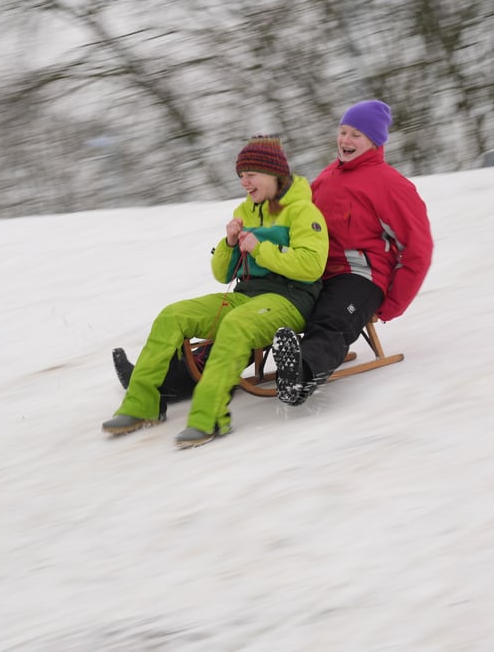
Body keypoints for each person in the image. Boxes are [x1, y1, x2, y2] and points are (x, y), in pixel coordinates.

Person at [103, 135, 329, 448]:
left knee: (237, 324)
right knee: (173, 315)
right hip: (246, 295)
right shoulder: (244, 210)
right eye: (240, 176)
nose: (244, 182)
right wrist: (230, 244)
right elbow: (222, 273)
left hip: (289, 299)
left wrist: (261, 249)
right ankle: (142, 405)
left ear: (273, 173)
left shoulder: (304, 212)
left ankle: (209, 418)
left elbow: (312, 265)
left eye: (250, 174)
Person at [271, 99, 433, 405]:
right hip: (316, 268)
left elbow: (418, 249)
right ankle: (191, 368)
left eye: (356, 135)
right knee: (266, 303)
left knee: (332, 320)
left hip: (360, 276)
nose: (345, 140)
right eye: (343, 131)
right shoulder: (329, 175)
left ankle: (300, 375)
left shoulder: (391, 186)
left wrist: (392, 303)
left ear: (374, 141)